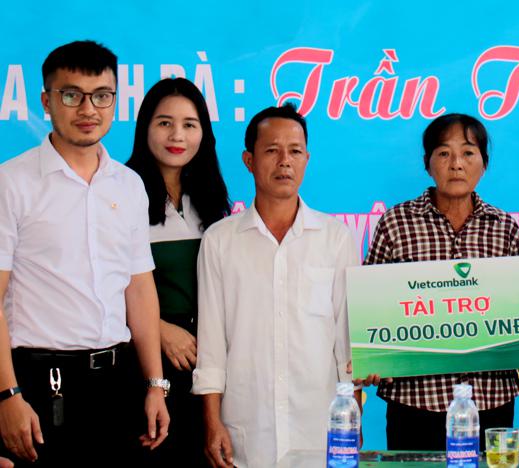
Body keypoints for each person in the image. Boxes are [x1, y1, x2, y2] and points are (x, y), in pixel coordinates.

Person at [0, 41, 169, 467]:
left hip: (118, 382)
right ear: (46, 101)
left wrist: (155, 384)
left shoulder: (129, 185)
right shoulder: (12, 182)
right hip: (39, 384)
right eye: (72, 95)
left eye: (102, 96)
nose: (88, 109)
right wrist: (7, 394)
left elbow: (139, 288)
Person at [192, 103, 359, 467]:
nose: (285, 161)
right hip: (246, 435)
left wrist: (352, 420)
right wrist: (211, 421)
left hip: (318, 432)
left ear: (307, 159)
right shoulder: (220, 240)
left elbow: (347, 342)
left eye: (295, 151)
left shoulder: (335, 238)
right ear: (249, 160)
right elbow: (212, 343)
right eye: (272, 150)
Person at [364, 113, 519, 451]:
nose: (456, 164)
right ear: (428, 163)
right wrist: (373, 356)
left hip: (490, 399)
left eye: (468, 152)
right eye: (444, 153)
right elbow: (371, 310)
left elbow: (517, 311)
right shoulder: (396, 224)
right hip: (415, 401)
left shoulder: (504, 227)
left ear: (484, 163)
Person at [126, 78, 230, 467]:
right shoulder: (120, 192)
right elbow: (98, 284)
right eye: (165, 123)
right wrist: (159, 329)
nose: (177, 136)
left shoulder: (210, 198)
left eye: (189, 124)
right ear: (145, 129)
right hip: (144, 362)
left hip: (205, 364)